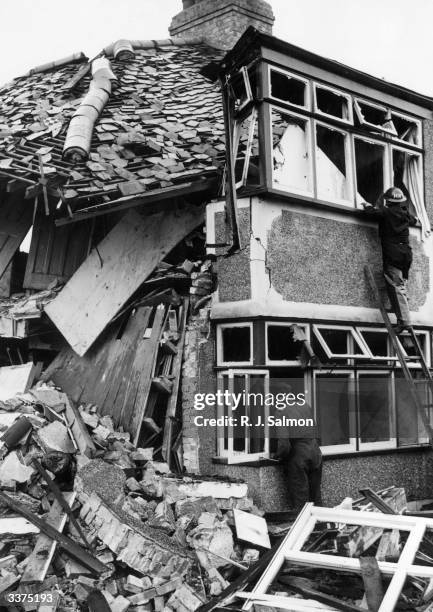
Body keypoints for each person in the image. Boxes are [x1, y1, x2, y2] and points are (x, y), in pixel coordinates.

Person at [363, 187, 417, 333]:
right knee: (400, 286)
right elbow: (415, 220)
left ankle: (405, 321)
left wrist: (366, 205)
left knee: (396, 287)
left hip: (393, 254)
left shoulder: (386, 212)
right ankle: (403, 320)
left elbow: (370, 212)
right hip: (406, 254)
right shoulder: (405, 214)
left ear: (388, 200)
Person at [271, 382, 323, 511]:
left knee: (301, 499)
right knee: (316, 496)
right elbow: (315, 429)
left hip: (299, 456)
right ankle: (322, 525)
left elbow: (284, 444)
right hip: (316, 453)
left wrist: (277, 456)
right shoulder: (305, 406)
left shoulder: (280, 412)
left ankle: (303, 529)